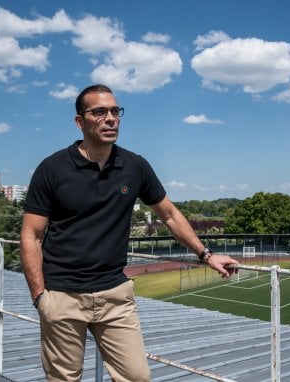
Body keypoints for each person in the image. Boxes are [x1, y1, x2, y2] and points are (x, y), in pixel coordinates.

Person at [20, 84, 239, 381]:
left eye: (115, 111)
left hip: (115, 296)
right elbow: (31, 236)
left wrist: (206, 254)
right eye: (99, 112)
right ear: (79, 121)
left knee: (137, 377)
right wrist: (39, 297)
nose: (110, 118)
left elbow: (170, 215)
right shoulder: (52, 169)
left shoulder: (134, 166)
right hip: (63, 296)